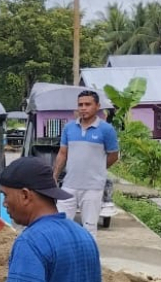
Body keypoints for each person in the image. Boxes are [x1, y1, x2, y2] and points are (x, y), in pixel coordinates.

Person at [51, 90, 119, 238]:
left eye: (87, 104)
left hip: (93, 188)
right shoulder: (69, 128)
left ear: (97, 106)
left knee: (89, 227)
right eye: (80, 105)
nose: (83, 108)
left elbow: (114, 156)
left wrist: (98, 168)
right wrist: (54, 176)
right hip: (69, 185)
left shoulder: (106, 130)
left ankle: (89, 259)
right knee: (61, 225)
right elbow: (62, 154)